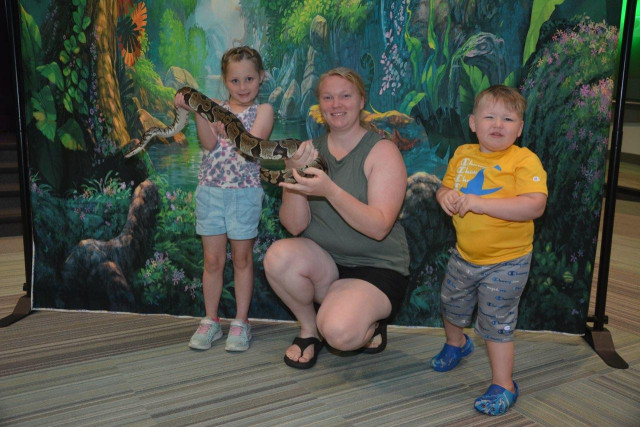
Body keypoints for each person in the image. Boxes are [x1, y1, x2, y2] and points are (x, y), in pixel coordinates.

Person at [263, 67, 410, 369]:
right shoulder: (307, 151)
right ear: (319, 105)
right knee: (277, 257)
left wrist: (329, 190)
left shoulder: (382, 151)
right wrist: (295, 173)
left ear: (361, 101)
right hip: (325, 264)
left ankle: (367, 321)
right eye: (328, 97)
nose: (336, 104)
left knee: (341, 334)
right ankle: (309, 329)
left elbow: (379, 226)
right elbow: (294, 225)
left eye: (345, 96)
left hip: (376, 267)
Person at [431, 85, 547, 415]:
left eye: (508, 118)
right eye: (489, 116)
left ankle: (504, 385)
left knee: (496, 322)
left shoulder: (524, 160)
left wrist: (480, 204)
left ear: (520, 128)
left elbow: (534, 206)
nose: (498, 124)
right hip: (464, 255)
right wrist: (445, 198)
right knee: (450, 303)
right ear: (473, 123)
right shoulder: (463, 154)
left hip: (507, 262)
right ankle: (457, 343)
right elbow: (445, 187)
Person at [175, 46, 274, 352]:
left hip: (244, 193)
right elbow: (207, 144)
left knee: (242, 260)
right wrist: (199, 113)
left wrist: (226, 125)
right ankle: (211, 320)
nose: (243, 87)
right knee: (213, 261)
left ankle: (241, 322)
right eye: (235, 81)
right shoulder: (214, 107)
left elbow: (251, 147)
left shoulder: (264, 111)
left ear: (261, 79)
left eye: (249, 79)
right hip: (211, 192)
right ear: (225, 81)